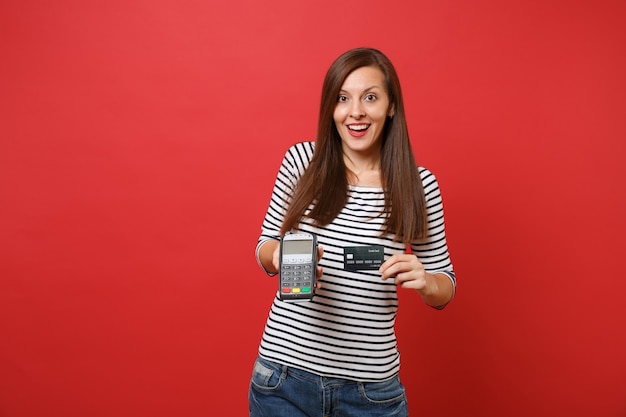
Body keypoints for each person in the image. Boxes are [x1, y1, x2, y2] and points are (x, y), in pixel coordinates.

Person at [248, 47, 455, 417]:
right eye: (343, 98)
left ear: (391, 106)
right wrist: (279, 255)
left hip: (371, 391)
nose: (355, 111)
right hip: (283, 379)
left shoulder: (418, 185)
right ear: (331, 107)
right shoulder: (301, 162)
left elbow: (444, 289)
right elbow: (264, 247)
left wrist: (425, 281)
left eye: (370, 97)